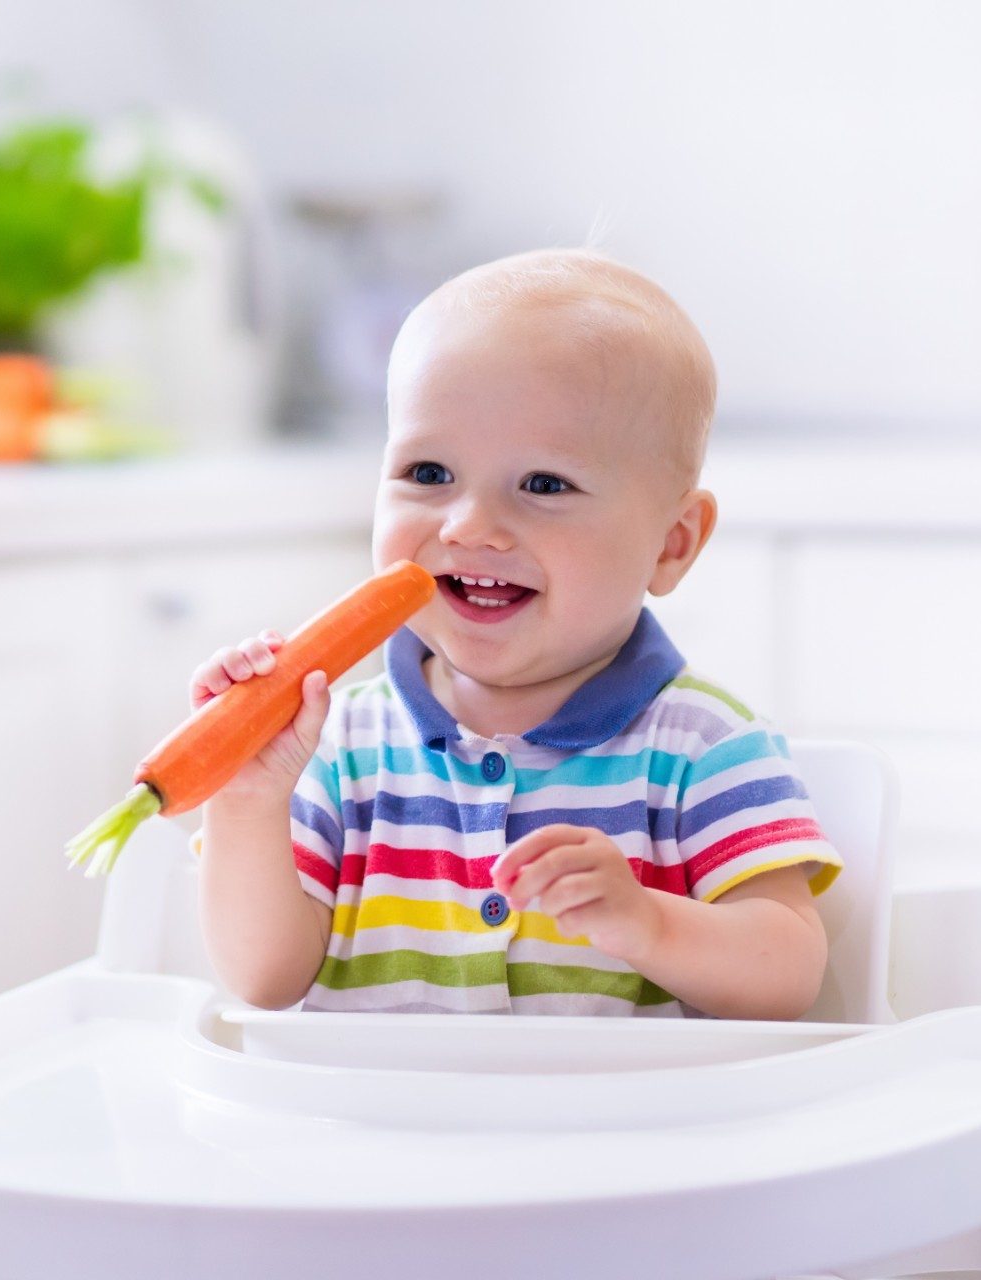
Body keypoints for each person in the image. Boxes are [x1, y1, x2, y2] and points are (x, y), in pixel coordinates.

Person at [194, 248, 842, 1018]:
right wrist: (243, 799)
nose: (469, 525)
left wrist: (648, 922)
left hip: (624, 1135)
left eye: (543, 485)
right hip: (377, 1135)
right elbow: (263, 981)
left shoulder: (703, 747)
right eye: (429, 474)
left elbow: (789, 975)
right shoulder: (334, 749)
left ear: (670, 544)